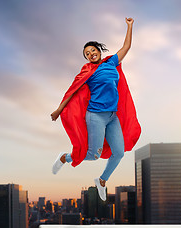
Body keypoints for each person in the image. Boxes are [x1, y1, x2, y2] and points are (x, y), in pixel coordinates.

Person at [51, 17, 141, 201]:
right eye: (87, 53)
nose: (91, 54)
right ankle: (64, 158)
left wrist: (130, 26)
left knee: (119, 153)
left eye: (93, 50)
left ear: (99, 50)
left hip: (112, 117)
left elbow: (126, 47)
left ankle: (101, 180)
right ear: (86, 58)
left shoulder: (111, 63)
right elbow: (73, 90)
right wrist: (59, 110)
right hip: (95, 116)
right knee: (91, 155)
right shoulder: (87, 72)